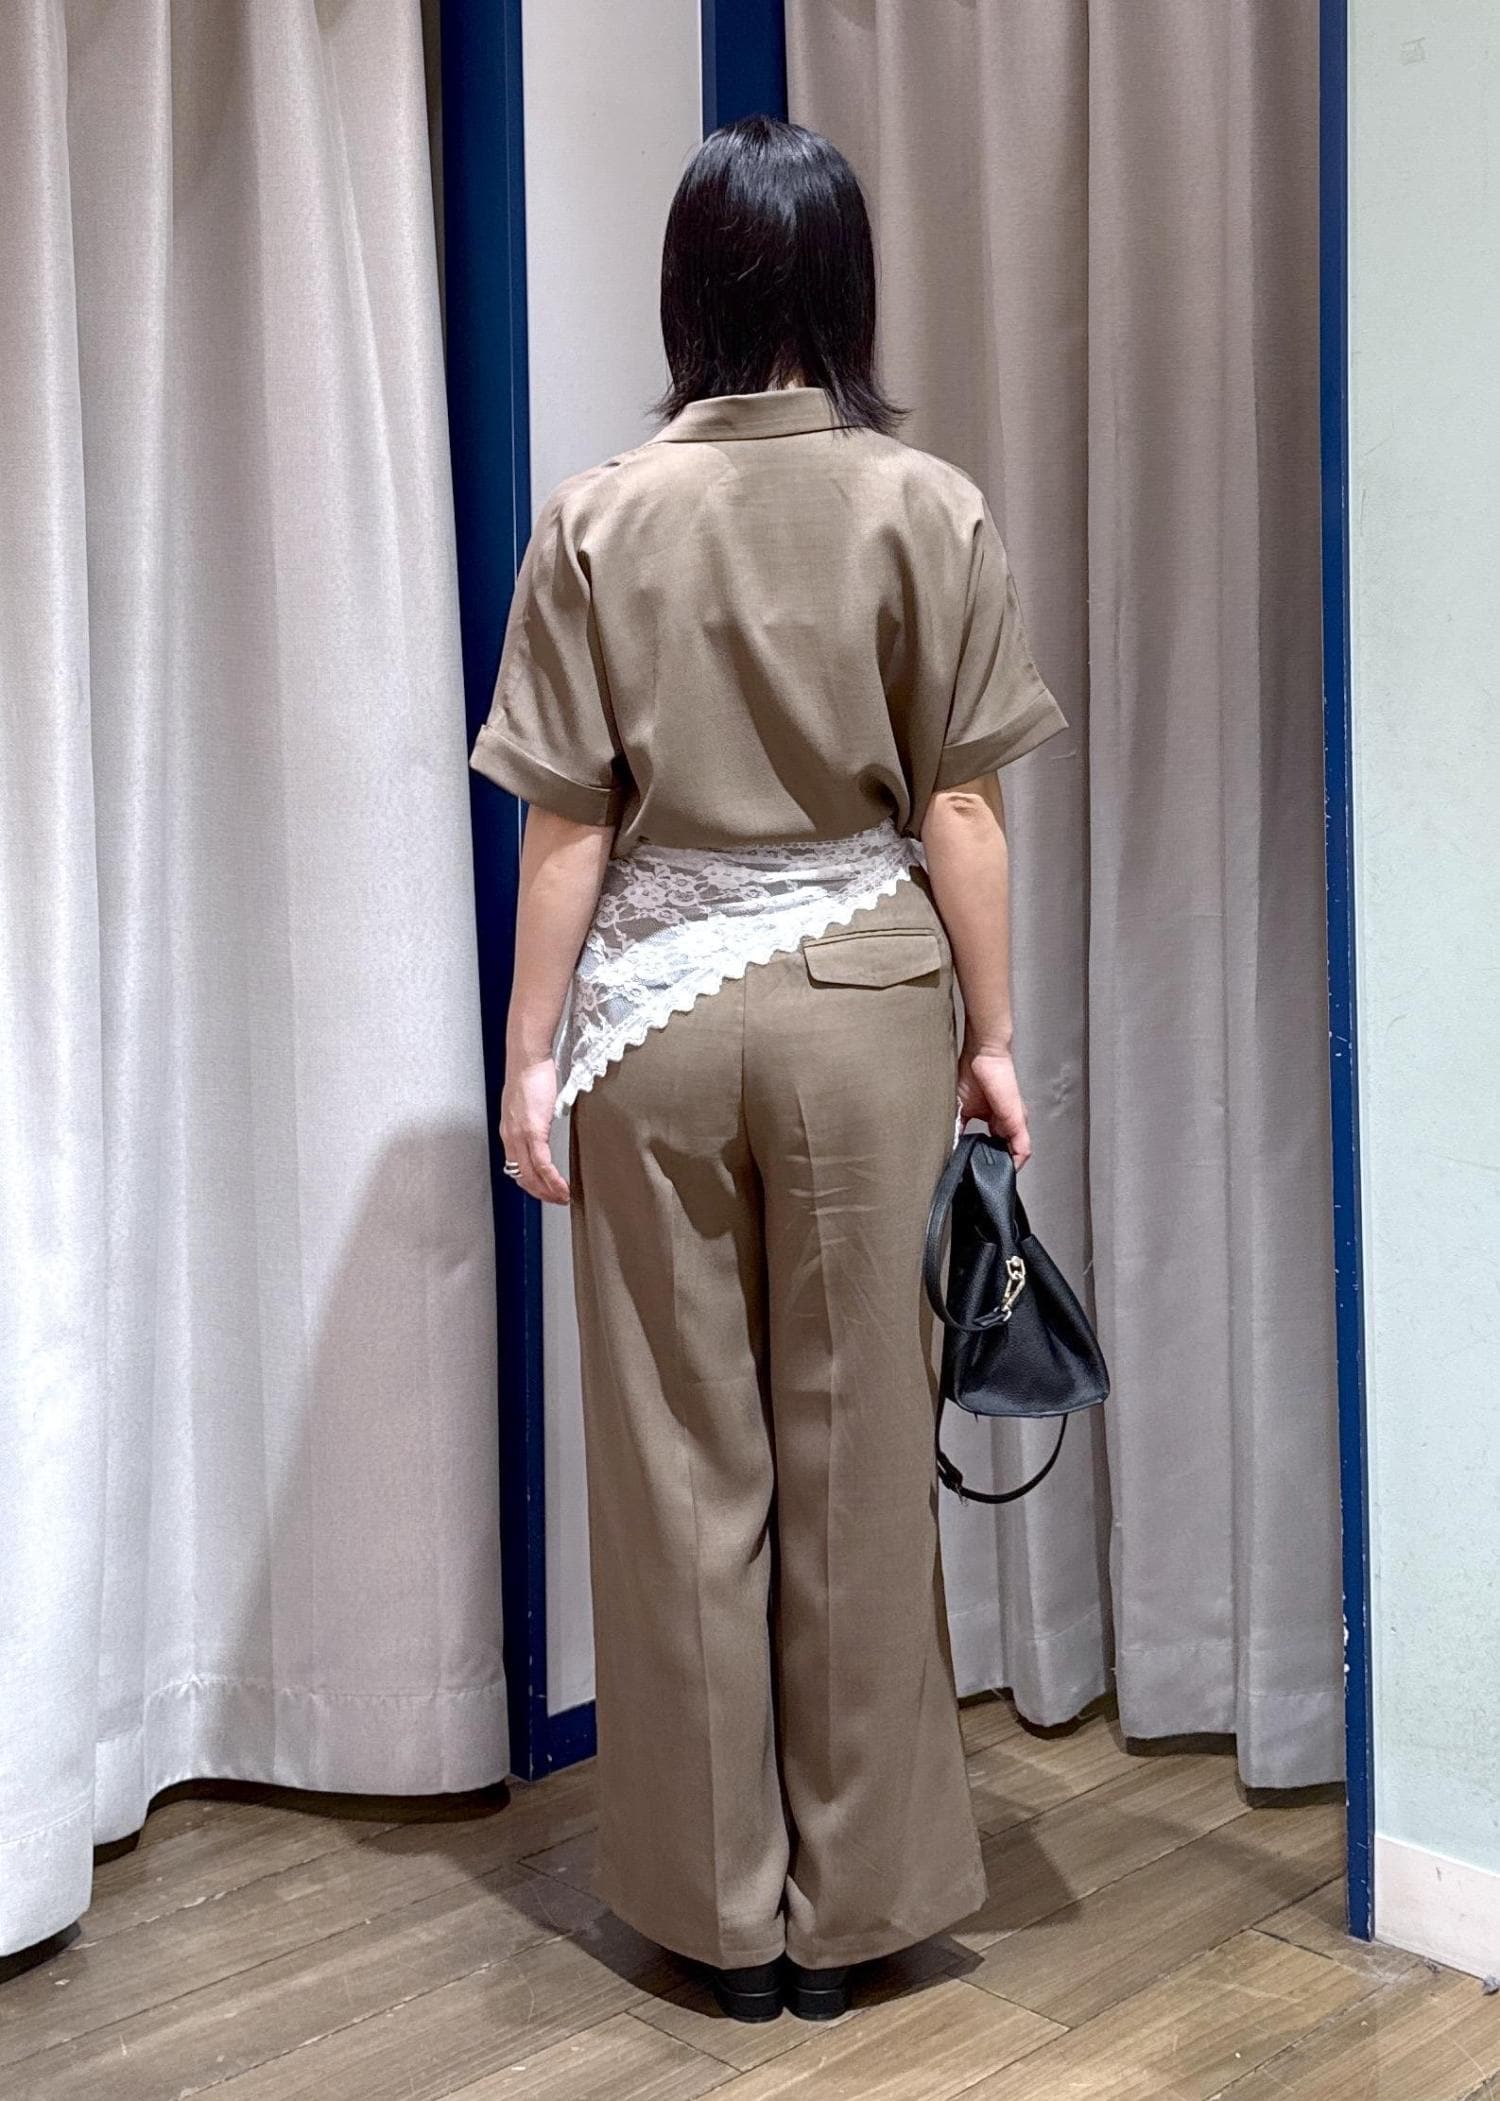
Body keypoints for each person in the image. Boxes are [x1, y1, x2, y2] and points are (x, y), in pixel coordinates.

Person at [468, 115, 1069, 2026]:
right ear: (844, 286)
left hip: (649, 1020)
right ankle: (862, 1907)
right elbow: (958, 810)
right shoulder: (927, 506)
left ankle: (718, 1921)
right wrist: (991, 1037)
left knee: (679, 1466)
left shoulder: (595, 516)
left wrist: (527, 1055)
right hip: (866, 1008)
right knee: (860, 1454)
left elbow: (568, 825)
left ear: (689, 291)